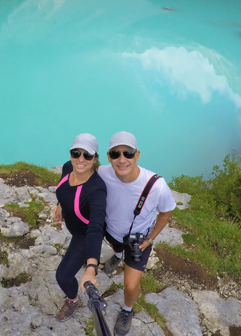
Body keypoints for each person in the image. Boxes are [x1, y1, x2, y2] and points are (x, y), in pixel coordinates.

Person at [99, 131, 176, 336]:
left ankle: (127, 310)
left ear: (137, 155)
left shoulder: (156, 185)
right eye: (115, 154)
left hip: (139, 241)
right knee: (115, 247)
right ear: (108, 157)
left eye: (128, 153)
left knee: (131, 285)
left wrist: (151, 238)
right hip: (112, 232)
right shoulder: (102, 173)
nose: (122, 159)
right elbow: (75, 169)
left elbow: (166, 211)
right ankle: (116, 256)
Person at [53, 133, 107, 322]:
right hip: (73, 225)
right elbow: (63, 189)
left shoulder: (96, 190)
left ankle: (73, 300)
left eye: (87, 155)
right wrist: (61, 204)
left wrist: (91, 267)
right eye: (76, 153)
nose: (80, 159)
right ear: (70, 154)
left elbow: (95, 228)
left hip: (83, 235)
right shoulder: (68, 168)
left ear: (95, 159)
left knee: (63, 276)